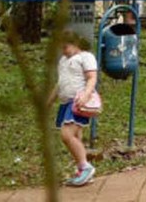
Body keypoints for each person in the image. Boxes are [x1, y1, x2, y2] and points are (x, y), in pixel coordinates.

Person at [51, 30, 99, 187]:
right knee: (75, 136)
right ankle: (81, 168)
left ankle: (85, 166)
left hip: (77, 101)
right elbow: (59, 84)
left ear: (75, 43)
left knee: (67, 135)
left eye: (66, 47)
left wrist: (86, 94)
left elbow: (92, 77)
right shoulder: (64, 61)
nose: (64, 51)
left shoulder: (86, 57)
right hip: (66, 102)